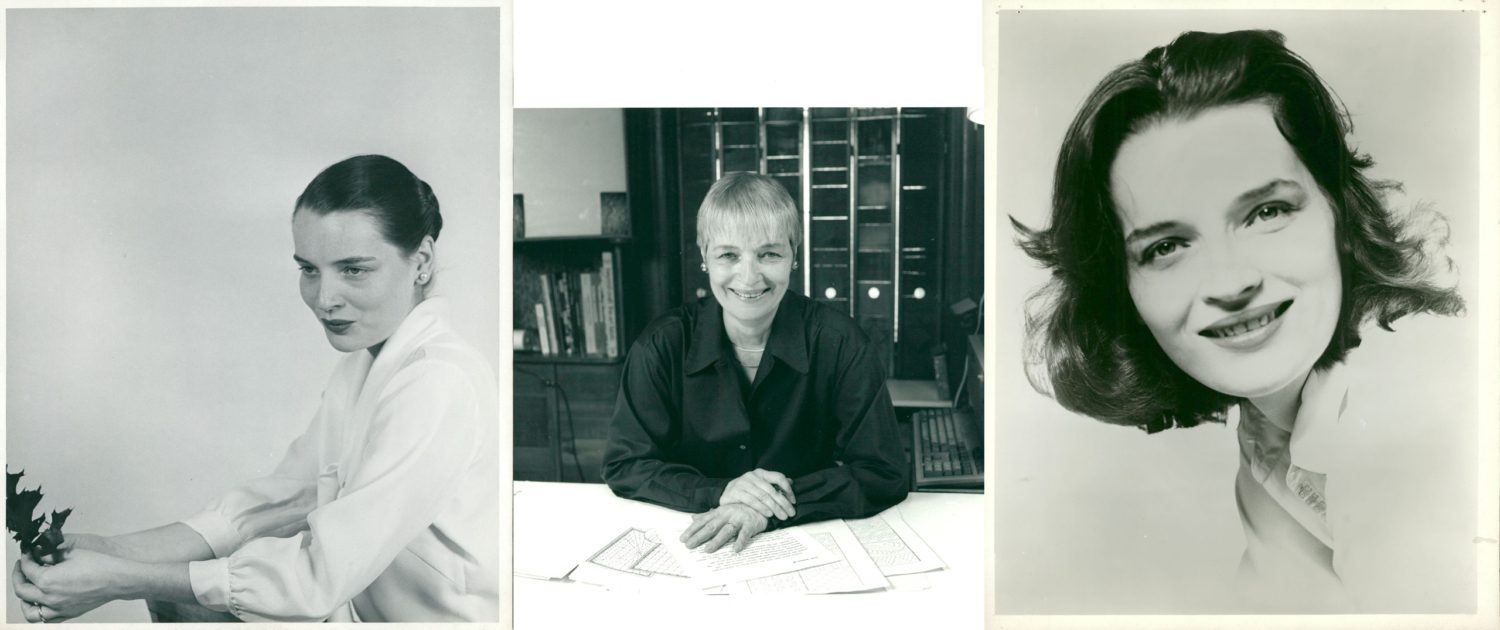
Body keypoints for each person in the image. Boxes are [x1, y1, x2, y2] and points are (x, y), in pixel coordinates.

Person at [1014, 30, 1467, 612]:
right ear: (1123, 291)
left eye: (1267, 212)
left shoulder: (1416, 412)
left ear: (1340, 214)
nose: (1230, 284)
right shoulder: (1273, 423)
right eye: (1167, 246)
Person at [10, 155, 499, 622]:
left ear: (422, 261)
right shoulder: (363, 368)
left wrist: (121, 579)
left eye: (354, 269)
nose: (324, 299)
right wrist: (107, 550)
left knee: (191, 601)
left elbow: (315, 579)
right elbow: (277, 504)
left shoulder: (438, 383)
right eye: (309, 269)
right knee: (188, 604)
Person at [603, 172, 908, 554]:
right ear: (704, 257)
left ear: (793, 255)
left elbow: (884, 473)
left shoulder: (841, 344)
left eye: (769, 254)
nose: (749, 277)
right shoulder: (662, 345)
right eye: (729, 254)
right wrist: (721, 492)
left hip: (806, 542)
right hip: (692, 542)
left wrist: (772, 507)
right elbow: (626, 464)